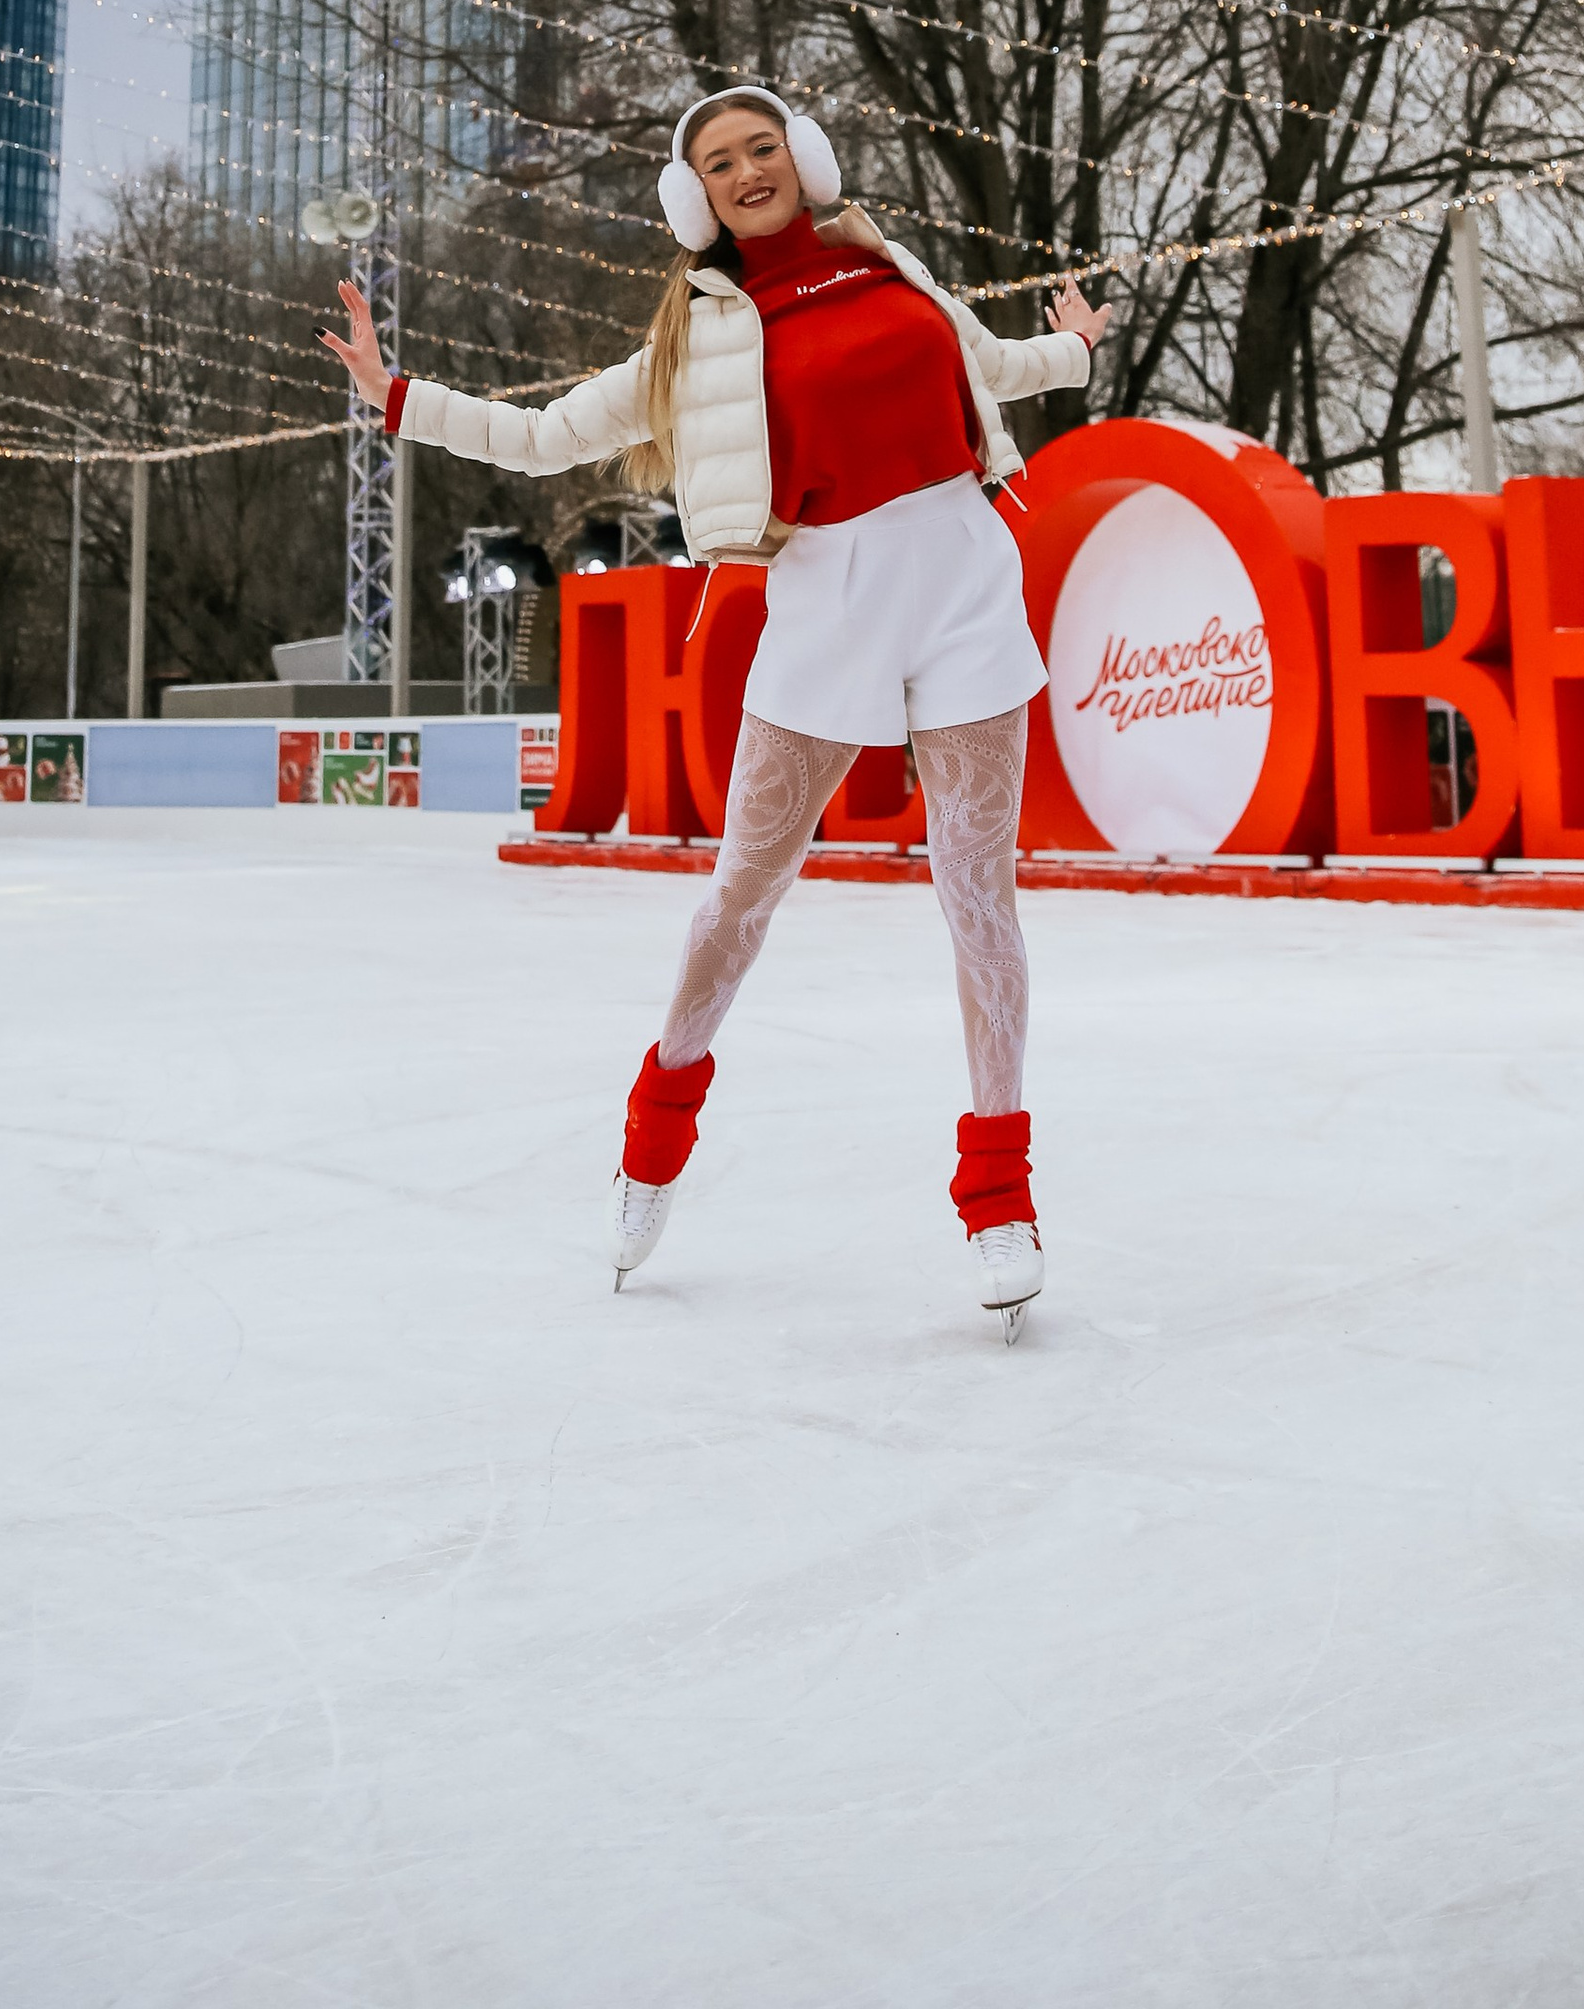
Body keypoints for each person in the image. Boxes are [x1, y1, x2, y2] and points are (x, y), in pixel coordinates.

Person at [320, 83, 1104, 1340]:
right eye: (717, 162)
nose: (746, 171)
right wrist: (399, 397)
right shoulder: (698, 335)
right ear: (693, 198)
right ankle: (652, 1137)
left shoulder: (888, 263)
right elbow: (543, 437)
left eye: (760, 147)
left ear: (803, 157)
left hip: (963, 576)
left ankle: (998, 1197)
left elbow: (992, 365)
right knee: (742, 890)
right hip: (824, 596)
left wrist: (1076, 347)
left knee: (978, 889)